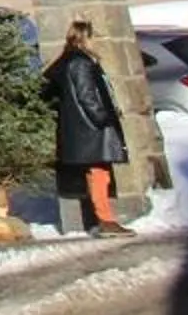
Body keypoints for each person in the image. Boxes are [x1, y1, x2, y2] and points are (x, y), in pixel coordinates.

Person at [43, 20, 134, 238]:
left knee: (97, 173)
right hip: (91, 128)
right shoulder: (80, 63)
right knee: (100, 174)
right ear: (85, 38)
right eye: (94, 37)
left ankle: (104, 218)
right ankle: (105, 219)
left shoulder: (67, 61)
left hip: (81, 128)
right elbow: (87, 96)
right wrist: (103, 119)